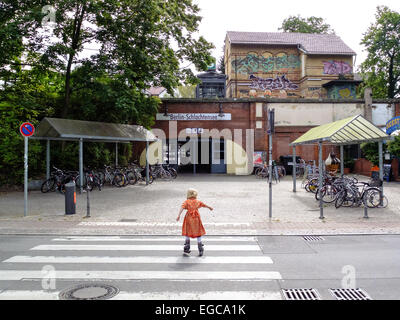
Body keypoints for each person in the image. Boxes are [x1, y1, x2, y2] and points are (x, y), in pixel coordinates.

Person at [176, 188, 213, 256]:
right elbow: (203, 204)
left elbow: (182, 207)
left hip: (188, 218)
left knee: (187, 231)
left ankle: (186, 247)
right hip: (196, 218)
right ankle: (200, 248)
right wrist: (209, 207)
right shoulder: (197, 201)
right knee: (198, 231)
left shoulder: (186, 201)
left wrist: (179, 215)